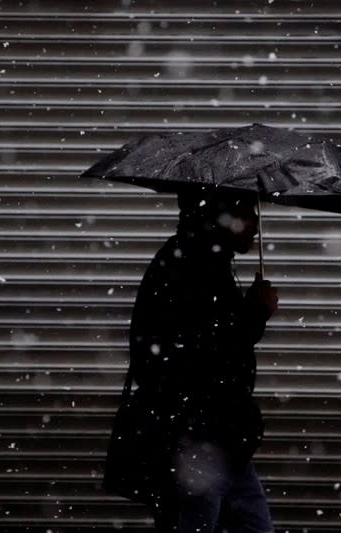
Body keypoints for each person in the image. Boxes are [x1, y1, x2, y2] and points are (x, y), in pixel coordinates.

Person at [128, 188, 278, 532]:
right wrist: (256, 312)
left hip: (222, 442)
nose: (256, 226)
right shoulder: (191, 265)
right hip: (196, 446)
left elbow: (212, 342)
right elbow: (205, 351)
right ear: (225, 216)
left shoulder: (205, 261)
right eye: (250, 215)